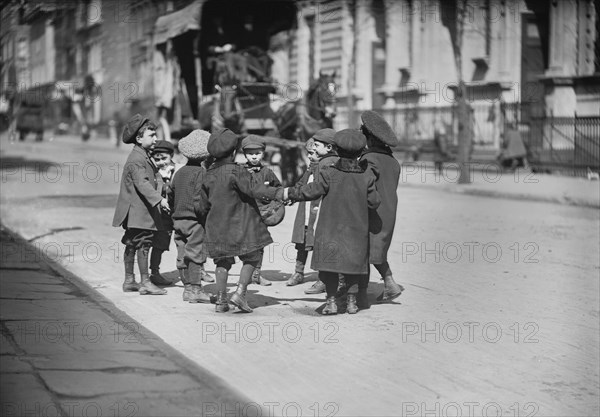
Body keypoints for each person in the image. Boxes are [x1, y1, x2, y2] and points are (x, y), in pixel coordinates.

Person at [285, 129, 381, 315]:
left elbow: (310, 191)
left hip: (330, 229)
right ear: (360, 152)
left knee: (328, 268)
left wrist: (288, 193)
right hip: (356, 231)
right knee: (352, 267)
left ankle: (330, 302)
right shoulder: (366, 176)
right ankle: (352, 302)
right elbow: (374, 202)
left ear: (337, 149)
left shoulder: (329, 173)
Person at [199, 128, 283, 313]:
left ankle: (221, 300)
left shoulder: (208, 175)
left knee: (222, 261)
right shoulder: (236, 171)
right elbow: (254, 190)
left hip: (217, 227)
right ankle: (240, 293)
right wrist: (279, 193)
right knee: (252, 257)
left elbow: (201, 206)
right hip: (241, 225)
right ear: (234, 152)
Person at [112, 114, 170, 295]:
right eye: (151, 135)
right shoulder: (137, 159)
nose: (155, 138)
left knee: (131, 243)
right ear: (139, 138)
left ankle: (129, 280)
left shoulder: (141, 155)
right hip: (139, 211)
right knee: (143, 243)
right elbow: (142, 183)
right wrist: (160, 200)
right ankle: (145, 282)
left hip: (135, 211)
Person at [359, 110, 405, 305]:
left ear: (369, 137)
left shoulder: (369, 160)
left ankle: (359, 293)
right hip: (388, 210)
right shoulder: (393, 161)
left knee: (362, 249)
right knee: (376, 248)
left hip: (372, 210)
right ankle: (389, 283)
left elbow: (364, 186)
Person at [286, 128, 338, 290]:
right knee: (302, 241)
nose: (310, 155)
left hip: (320, 211)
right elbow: (301, 185)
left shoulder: (329, 165)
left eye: (313, 152)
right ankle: (298, 272)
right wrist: (292, 195)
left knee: (320, 243)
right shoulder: (311, 167)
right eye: (308, 153)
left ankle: (323, 278)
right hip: (306, 211)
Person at [169, 130, 214, 303]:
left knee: (182, 254)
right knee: (196, 254)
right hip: (195, 221)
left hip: (178, 220)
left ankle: (187, 289)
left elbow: (171, 195)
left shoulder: (179, 173)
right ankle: (196, 289)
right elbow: (200, 201)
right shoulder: (202, 174)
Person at [240, 134, 282, 286]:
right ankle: (246, 273)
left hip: (262, 214)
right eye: (250, 154)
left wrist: (276, 203)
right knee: (245, 244)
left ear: (263, 153)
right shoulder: (239, 171)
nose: (254, 157)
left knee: (260, 243)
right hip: (244, 214)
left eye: (257, 153)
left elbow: (278, 188)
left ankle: (256, 274)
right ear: (244, 154)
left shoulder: (268, 172)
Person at [148, 140, 176, 287]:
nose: (160, 162)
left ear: (171, 156)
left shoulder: (177, 170)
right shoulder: (153, 172)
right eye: (157, 159)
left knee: (186, 242)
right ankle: (154, 272)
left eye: (164, 158)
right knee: (158, 244)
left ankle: (197, 270)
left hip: (175, 213)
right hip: (158, 214)